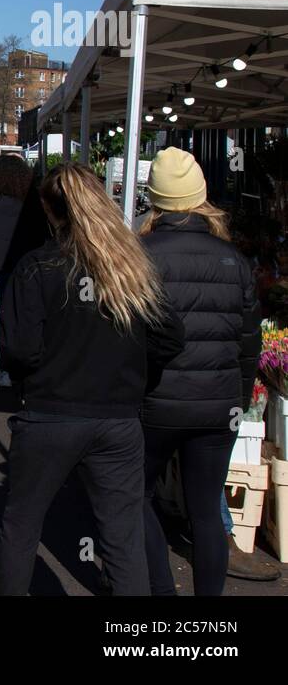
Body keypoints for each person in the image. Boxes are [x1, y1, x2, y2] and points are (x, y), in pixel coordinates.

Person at [0, 164, 185, 596]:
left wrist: (40, 371)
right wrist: (131, 367)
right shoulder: (130, 265)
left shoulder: (38, 266)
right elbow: (170, 337)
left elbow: (19, 348)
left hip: (50, 413)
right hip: (116, 417)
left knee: (21, 526)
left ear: (48, 208)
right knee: (122, 539)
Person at [138, 147, 271, 592]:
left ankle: (160, 590)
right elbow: (247, 345)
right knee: (206, 512)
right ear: (201, 197)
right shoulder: (233, 260)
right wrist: (237, 400)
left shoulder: (137, 255)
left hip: (153, 404)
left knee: (136, 499)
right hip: (217, 407)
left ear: (153, 199)